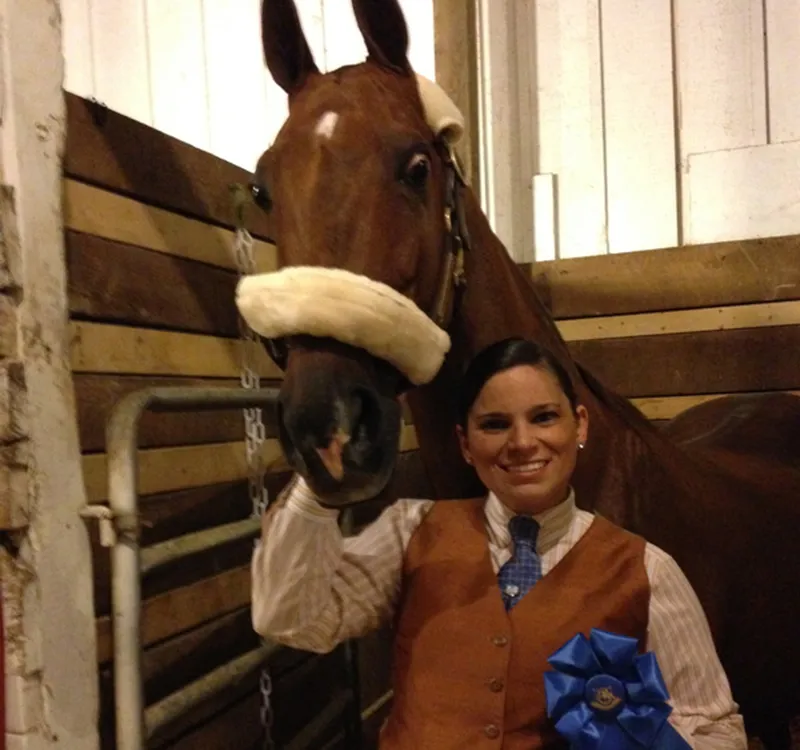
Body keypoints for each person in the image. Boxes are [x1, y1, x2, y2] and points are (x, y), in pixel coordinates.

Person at [251, 337, 747, 749]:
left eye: (544, 418)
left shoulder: (648, 570)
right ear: (466, 444)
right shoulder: (409, 529)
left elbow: (714, 727)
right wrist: (319, 490)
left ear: (581, 425)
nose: (523, 442)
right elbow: (292, 620)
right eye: (495, 424)